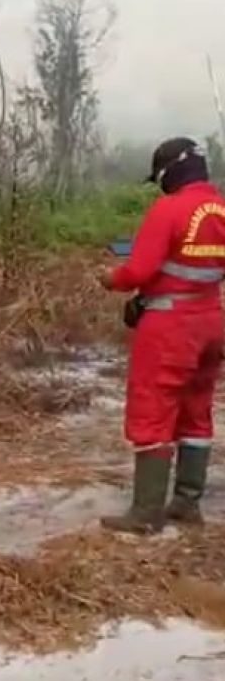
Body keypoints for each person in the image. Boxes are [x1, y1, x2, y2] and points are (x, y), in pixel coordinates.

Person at [98, 137, 225, 533]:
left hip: (170, 326)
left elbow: (137, 271)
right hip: (211, 323)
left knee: (153, 409)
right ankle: (187, 503)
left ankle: (146, 513)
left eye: (160, 177)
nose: (159, 185)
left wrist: (110, 278)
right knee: (196, 410)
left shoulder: (169, 209)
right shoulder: (220, 208)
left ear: (171, 171)